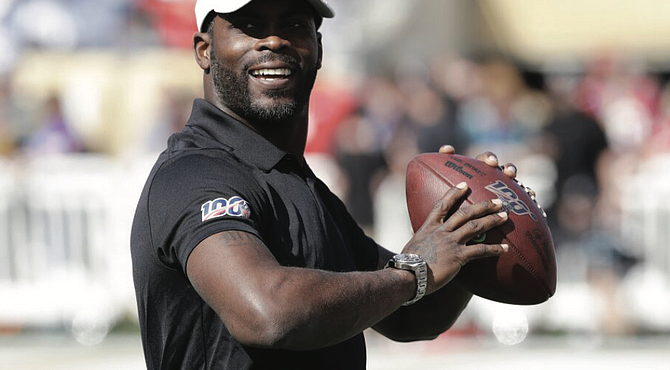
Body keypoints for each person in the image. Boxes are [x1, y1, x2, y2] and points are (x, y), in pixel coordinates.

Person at [130, 1, 518, 368]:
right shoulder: (196, 173)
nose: (274, 40)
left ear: (318, 47)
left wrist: (472, 232)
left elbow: (410, 318)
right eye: (249, 26)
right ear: (204, 50)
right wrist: (412, 272)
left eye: (294, 25)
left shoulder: (298, 182)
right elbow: (267, 313)